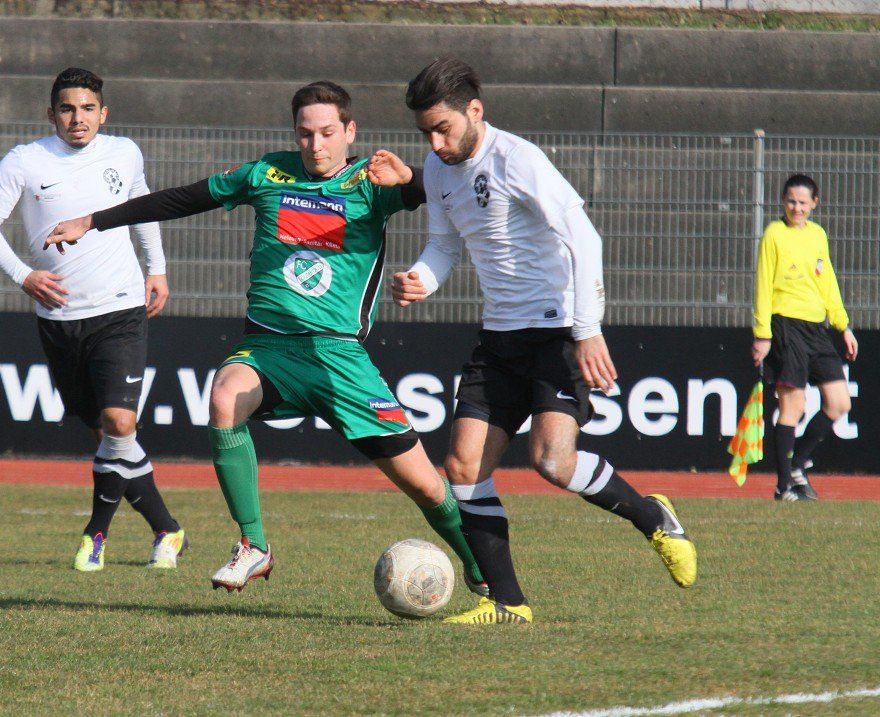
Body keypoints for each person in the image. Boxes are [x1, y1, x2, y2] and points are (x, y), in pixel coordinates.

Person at [45, 81, 486, 598]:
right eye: (305, 134)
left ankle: (484, 573)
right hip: (269, 347)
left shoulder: (372, 180)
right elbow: (181, 199)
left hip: (338, 356)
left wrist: (410, 178)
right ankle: (253, 544)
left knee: (426, 486)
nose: (316, 145)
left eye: (327, 133)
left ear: (350, 132)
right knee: (225, 395)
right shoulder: (267, 174)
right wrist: (92, 221)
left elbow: (448, 191)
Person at [385, 58, 698, 625]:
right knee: (463, 466)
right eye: (426, 133)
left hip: (557, 333)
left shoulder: (518, 159)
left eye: (443, 129)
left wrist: (587, 330)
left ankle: (653, 517)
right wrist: (421, 280)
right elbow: (445, 246)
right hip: (499, 337)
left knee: (552, 462)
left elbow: (584, 238)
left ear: (474, 111)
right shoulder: (436, 168)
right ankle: (507, 603)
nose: (435, 144)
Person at [0, 67, 187, 572]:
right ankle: (166, 529)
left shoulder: (124, 152)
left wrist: (157, 268)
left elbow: (142, 209)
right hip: (60, 317)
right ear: (51, 114)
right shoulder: (25, 160)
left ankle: (95, 535)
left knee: (119, 422)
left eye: (88, 108)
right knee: (109, 437)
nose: (78, 118)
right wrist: (24, 275)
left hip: (120, 308)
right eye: (67, 109)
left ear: (103, 113)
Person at [752, 174, 858, 501]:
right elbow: (762, 285)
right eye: (791, 201)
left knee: (839, 403)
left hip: (817, 330)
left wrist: (843, 326)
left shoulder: (817, 235)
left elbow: (828, 283)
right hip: (786, 326)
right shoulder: (774, 234)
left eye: (802, 202)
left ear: (814, 203)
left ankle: (797, 463)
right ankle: (783, 486)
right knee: (793, 405)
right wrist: (763, 334)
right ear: (783, 201)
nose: (796, 208)